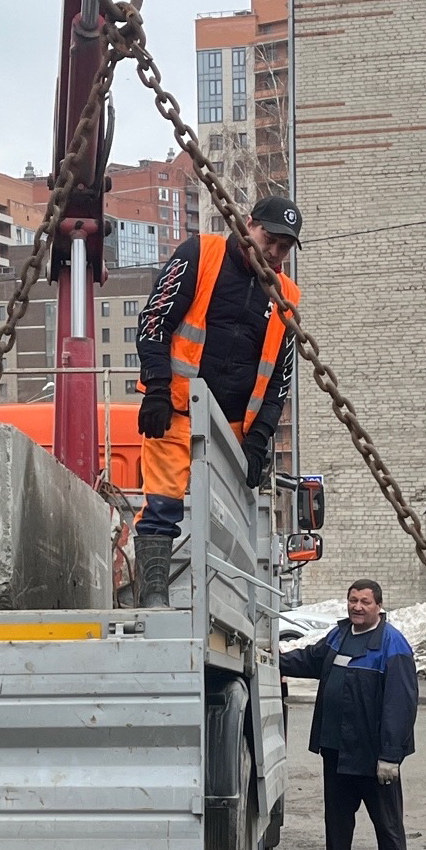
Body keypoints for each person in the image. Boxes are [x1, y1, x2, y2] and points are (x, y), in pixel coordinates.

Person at [130, 194, 303, 607]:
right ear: (248, 224)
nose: (275, 251)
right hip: (175, 410)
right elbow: (153, 322)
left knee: (230, 524)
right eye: (269, 238)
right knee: (161, 503)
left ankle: (225, 607)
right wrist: (155, 388)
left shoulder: (286, 296)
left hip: (232, 432)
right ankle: (153, 595)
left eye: (284, 246)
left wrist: (260, 436)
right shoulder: (200, 255)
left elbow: (280, 379)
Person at [282, 579, 418, 850]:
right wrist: (274, 660)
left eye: (365, 602)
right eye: (353, 600)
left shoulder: (392, 645)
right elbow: (311, 660)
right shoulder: (338, 636)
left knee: (386, 822)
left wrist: (390, 756)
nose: (357, 606)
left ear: (378, 606)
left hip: (372, 756)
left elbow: (400, 704)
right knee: (338, 820)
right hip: (336, 750)